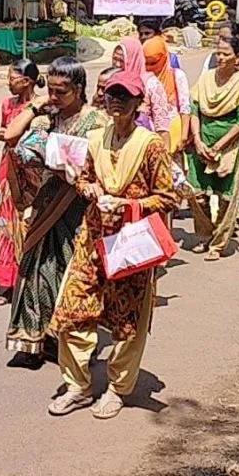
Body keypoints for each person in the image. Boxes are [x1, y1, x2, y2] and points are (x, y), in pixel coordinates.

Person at [46, 71, 176, 419]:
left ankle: (118, 389)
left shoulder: (150, 146)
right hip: (93, 238)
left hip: (131, 244)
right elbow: (85, 178)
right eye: (111, 94)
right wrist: (89, 190)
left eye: (124, 96)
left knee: (127, 320)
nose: (116, 100)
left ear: (138, 104)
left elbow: (168, 195)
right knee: (73, 309)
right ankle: (78, 385)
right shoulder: (95, 139)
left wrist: (129, 205)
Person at [3, 57, 106, 365]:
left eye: (62, 91)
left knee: (67, 275)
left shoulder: (97, 123)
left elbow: (99, 166)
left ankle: (63, 338)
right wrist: (36, 108)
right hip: (47, 202)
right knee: (36, 270)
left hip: (78, 208)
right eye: (51, 89)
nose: (55, 96)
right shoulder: (47, 118)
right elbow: (14, 140)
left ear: (79, 89)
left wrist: (68, 168)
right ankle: (33, 340)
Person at [187, 35, 239, 261]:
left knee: (226, 197)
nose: (221, 58)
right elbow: (194, 110)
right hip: (202, 142)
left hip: (229, 147)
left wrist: (219, 145)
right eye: (218, 53)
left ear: (237, 58)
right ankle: (205, 235)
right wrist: (197, 139)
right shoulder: (205, 79)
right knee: (196, 193)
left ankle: (218, 243)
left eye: (226, 54)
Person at [0, 60, 42, 304]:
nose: (8, 83)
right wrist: (1, 133)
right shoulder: (7, 104)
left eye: (12, 78)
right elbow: (4, 130)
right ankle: (6, 281)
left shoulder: (39, 106)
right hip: (8, 167)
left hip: (30, 171)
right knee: (5, 223)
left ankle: (27, 275)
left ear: (28, 81)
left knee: (27, 222)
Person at [112, 37, 172, 139]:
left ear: (133, 59)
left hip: (143, 144)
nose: (117, 65)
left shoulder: (151, 84)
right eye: (115, 59)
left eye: (121, 60)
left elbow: (162, 127)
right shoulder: (111, 81)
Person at [143, 35, 192, 154]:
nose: (149, 67)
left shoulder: (177, 76)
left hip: (174, 133)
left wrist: (184, 136)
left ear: (164, 57)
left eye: (154, 63)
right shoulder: (145, 78)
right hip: (150, 133)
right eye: (146, 63)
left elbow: (185, 107)